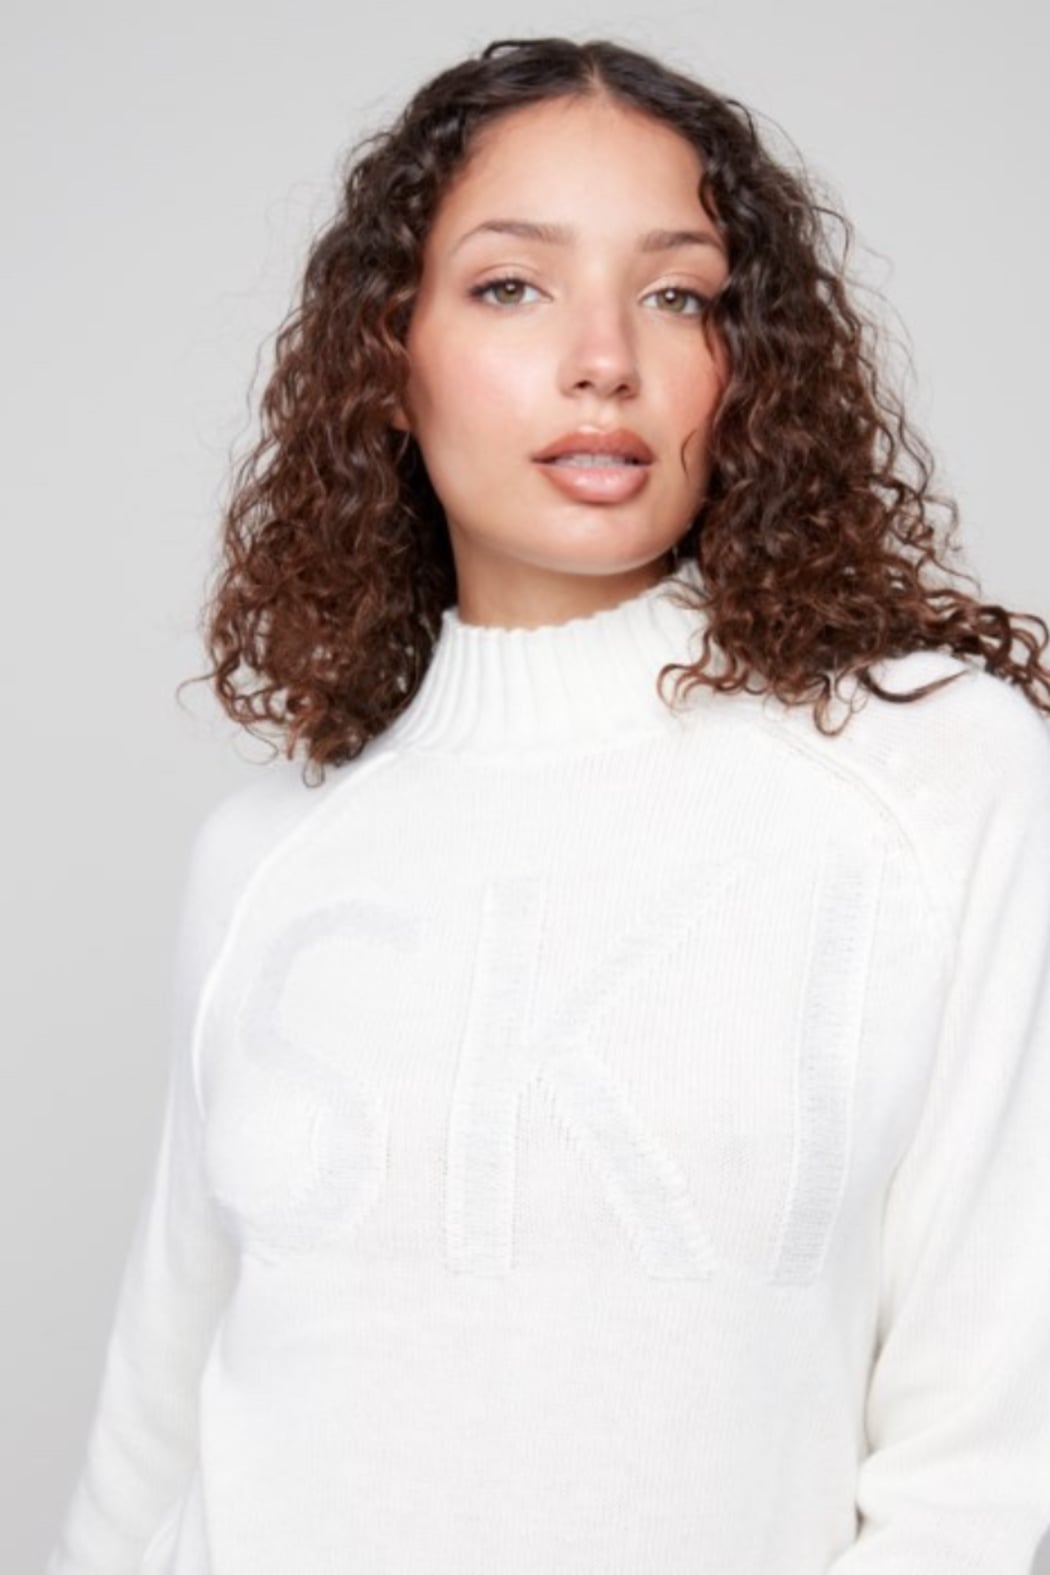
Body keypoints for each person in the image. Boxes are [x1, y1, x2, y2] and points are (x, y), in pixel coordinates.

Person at [48, 34, 1050, 1575]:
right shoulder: (265, 856)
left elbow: (981, 1465)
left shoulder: (930, 775)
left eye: (680, 296)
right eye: (510, 286)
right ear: (388, 354)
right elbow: (145, 1443)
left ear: (748, 366)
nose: (603, 358)